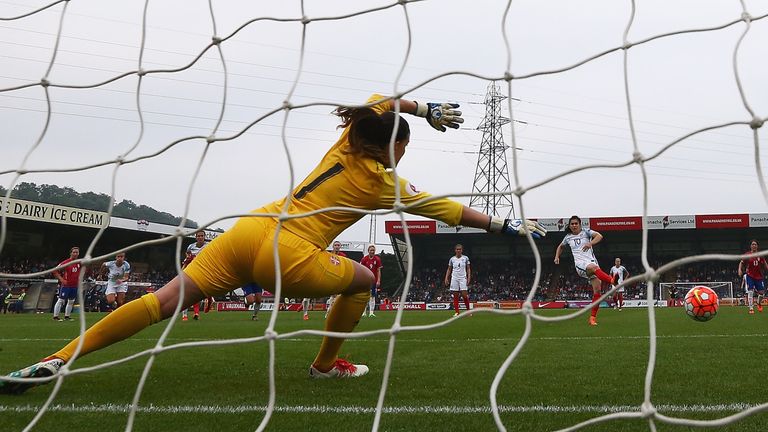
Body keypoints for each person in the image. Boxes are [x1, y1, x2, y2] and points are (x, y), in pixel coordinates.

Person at [0, 92, 546, 394]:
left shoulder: (344, 142)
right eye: (404, 145)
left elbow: (383, 101)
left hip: (248, 229)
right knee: (364, 281)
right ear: (395, 147)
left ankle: (54, 361)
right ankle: (326, 364)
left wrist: (423, 110)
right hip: (290, 253)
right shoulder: (385, 182)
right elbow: (451, 210)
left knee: (162, 303)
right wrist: (506, 227)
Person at [554, 216, 618, 326]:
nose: (574, 225)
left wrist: (590, 243)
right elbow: (560, 246)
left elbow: (599, 236)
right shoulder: (568, 237)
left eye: (576, 223)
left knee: (597, 291)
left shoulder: (586, 232)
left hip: (592, 262)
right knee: (593, 268)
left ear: (580, 224)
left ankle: (592, 318)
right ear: (569, 225)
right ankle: (612, 281)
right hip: (580, 265)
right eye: (572, 224)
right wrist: (556, 257)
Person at [181, 231, 210, 321]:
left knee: (197, 293)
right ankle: (185, 315)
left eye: (202, 236)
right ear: (196, 237)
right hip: (191, 271)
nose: (200, 237)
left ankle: (198, 311)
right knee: (186, 293)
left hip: (202, 272)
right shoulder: (191, 246)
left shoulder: (208, 245)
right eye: (198, 236)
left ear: (204, 237)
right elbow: (187, 258)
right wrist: (183, 269)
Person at [51, 247, 83, 321]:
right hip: (66, 285)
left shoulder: (79, 262)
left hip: (74, 285)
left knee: (71, 301)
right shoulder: (66, 262)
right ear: (71, 253)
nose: (75, 254)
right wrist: (62, 279)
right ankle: (55, 317)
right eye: (74, 252)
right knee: (61, 300)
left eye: (77, 252)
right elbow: (54, 270)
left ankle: (67, 316)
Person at [738, 239, 768, 314]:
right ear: (750, 246)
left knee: (762, 293)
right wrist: (739, 270)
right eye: (752, 244)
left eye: (755, 244)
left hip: (759, 276)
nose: (754, 245)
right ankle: (751, 308)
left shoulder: (760, 255)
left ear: (757, 246)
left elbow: (764, 264)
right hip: (750, 276)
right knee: (750, 291)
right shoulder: (747, 254)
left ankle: (758, 303)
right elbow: (741, 263)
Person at [444, 244, 471, 316]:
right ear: (455, 250)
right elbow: (449, 269)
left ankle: (468, 311)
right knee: (455, 295)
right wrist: (446, 278)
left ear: (462, 250)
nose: (458, 250)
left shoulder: (465, 258)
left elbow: (468, 268)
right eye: (457, 249)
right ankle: (457, 312)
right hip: (454, 278)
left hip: (463, 278)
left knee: (464, 295)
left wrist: (469, 277)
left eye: (460, 249)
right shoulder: (452, 259)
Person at [324, 241, 346, 318]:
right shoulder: (329, 255)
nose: (337, 246)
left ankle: (331, 312)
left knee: (338, 296)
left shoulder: (343, 256)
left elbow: (345, 266)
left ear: (340, 246)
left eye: (338, 245)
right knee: (333, 295)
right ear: (333, 246)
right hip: (332, 276)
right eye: (335, 245)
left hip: (340, 276)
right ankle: (329, 312)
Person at [360, 245, 382, 318]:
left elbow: (378, 270)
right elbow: (361, 269)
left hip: (373, 281)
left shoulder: (377, 259)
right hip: (366, 280)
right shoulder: (364, 259)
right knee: (364, 296)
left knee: (372, 296)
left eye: (373, 250)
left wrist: (378, 280)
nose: (372, 251)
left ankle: (371, 312)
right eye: (371, 250)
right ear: (368, 251)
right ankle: (363, 312)